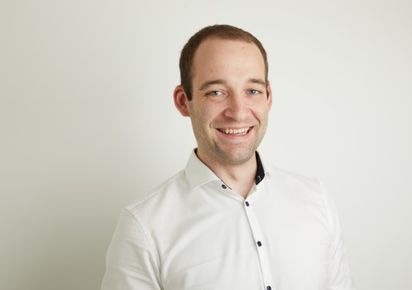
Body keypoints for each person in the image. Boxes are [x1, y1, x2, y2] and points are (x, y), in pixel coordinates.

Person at [101, 24, 355, 290]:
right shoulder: (144, 226)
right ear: (182, 101)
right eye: (216, 92)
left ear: (268, 97)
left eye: (252, 91)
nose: (238, 112)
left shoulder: (317, 200)